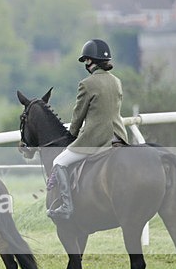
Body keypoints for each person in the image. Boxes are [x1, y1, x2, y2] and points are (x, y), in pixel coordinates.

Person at [48, 38, 129, 220]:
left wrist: (72, 135)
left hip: (95, 139)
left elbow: (78, 117)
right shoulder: (117, 82)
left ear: (91, 61)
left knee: (59, 162)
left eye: (85, 60)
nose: (85, 63)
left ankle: (66, 207)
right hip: (119, 136)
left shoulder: (87, 84)